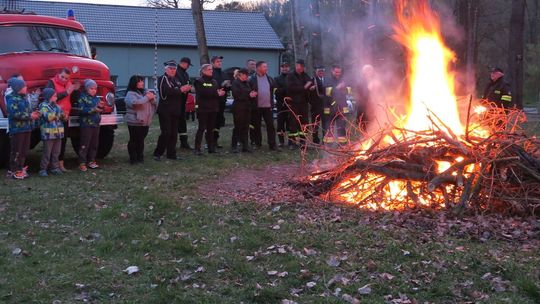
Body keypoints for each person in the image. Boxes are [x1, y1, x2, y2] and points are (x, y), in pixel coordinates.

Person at [46, 68, 81, 172]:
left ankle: (60, 164)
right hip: (54, 117)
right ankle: (49, 165)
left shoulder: (68, 83)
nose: (64, 80)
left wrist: (76, 90)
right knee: (52, 142)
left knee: (63, 140)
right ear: (58, 74)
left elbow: (74, 99)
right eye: (62, 77)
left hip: (65, 116)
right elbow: (51, 99)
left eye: (67, 78)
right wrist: (66, 92)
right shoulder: (51, 82)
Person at [6, 78, 39, 179]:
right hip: (17, 129)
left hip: (26, 128)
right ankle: (14, 170)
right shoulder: (11, 98)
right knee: (17, 150)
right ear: (18, 88)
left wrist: (34, 114)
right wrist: (30, 116)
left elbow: (28, 110)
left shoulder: (24, 97)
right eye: (24, 86)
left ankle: (20, 168)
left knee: (24, 150)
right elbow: (14, 114)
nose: (26, 87)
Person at [153, 60, 184, 161]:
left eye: (174, 69)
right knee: (166, 132)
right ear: (166, 69)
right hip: (165, 110)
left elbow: (179, 93)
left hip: (176, 110)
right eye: (170, 68)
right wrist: (180, 90)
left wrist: (184, 90)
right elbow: (164, 93)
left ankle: (171, 153)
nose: (172, 70)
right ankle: (158, 153)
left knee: (174, 133)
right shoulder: (163, 78)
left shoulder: (177, 80)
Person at [194, 64, 226, 155]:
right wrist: (216, 94)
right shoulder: (199, 81)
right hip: (203, 109)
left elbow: (213, 92)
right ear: (203, 71)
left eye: (211, 69)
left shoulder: (214, 81)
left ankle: (211, 148)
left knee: (211, 129)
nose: (211, 71)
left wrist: (219, 93)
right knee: (201, 128)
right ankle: (197, 148)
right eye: (209, 69)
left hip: (213, 108)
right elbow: (204, 92)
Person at [125, 75, 157, 164]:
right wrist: (147, 98)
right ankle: (133, 158)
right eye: (139, 81)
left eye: (142, 81)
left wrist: (152, 99)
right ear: (134, 83)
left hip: (145, 121)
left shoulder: (144, 92)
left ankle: (140, 157)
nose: (142, 83)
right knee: (134, 139)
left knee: (141, 139)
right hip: (134, 121)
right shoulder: (130, 94)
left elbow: (153, 103)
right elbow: (136, 103)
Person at [249, 60, 278, 150]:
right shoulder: (252, 79)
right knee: (256, 126)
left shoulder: (270, 78)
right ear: (258, 68)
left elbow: (274, 89)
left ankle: (272, 144)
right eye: (264, 67)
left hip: (268, 106)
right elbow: (248, 91)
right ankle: (257, 143)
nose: (266, 68)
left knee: (270, 126)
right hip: (256, 107)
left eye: (266, 66)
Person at [286, 59, 314, 149]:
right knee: (293, 122)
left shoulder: (305, 75)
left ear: (303, 68)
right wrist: (304, 87)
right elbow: (290, 88)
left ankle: (303, 142)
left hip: (303, 103)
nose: (299, 68)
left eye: (301, 67)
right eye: (297, 66)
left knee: (304, 122)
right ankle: (292, 143)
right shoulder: (291, 76)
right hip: (294, 102)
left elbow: (310, 82)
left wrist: (310, 86)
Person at [38, 88, 66, 177]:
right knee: (47, 152)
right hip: (48, 134)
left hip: (58, 133)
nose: (56, 97)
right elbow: (48, 117)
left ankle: (54, 167)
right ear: (49, 97)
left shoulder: (57, 106)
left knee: (56, 152)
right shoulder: (43, 106)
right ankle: (43, 169)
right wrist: (58, 115)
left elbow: (62, 116)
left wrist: (64, 115)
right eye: (54, 96)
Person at [77, 79, 103, 172]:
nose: (94, 90)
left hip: (95, 124)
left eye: (95, 89)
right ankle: (82, 163)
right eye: (91, 88)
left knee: (94, 144)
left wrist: (101, 107)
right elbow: (81, 110)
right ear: (87, 89)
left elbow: (99, 109)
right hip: (86, 124)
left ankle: (91, 161)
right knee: (85, 144)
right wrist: (93, 109)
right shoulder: (82, 98)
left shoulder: (96, 98)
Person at [323, 65, 351, 145]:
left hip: (342, 107)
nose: (338, 73)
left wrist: (345, 88)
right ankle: (329, 146)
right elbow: (327, 93)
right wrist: (338, 88)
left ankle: (342, 145)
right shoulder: (327, 80)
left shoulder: (344, 80)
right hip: (330, 107)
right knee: (329, 127)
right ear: (332, 71)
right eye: (336, 72)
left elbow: (349, 91)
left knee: (341, 127)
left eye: (339, 72)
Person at [232, 68, 257, 153]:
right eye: (246, 75)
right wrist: (248, 95)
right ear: (241, 75)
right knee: (238, 126)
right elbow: (236, 95)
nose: (247, 77)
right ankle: (234, 146)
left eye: (248, 75)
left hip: (247, 107)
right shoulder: (235, 83)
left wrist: (252, 96)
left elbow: (248, 94)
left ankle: (245, 146)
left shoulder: (247, 83)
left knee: (246, 127)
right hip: (239, 107)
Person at [211, 55, 231, 148]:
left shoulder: (224, 73)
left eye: (220, 61)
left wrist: (227, 86)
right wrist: (220, 86)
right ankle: (209, 141)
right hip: (212, 101)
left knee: (218, 121)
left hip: (222, 101)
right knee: (211, 121)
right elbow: (208, 86)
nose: (219, 63)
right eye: (217, 61)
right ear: (212, 63)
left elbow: (228, 88)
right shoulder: (210, 73)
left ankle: (215, 140)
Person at [176, 57, 194, 149]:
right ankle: (171, 143)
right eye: (188, 65)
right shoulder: (176, 72)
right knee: (175, 123)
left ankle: (184, 142)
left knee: (183, 122)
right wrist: (182, 89)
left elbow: (189, 83)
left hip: (183, 102)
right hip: (175, 102)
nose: (188, 67)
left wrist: (190, 87)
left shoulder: (185, 74)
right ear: (183, 63)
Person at [274, 62, 290, 147]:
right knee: (280, 123)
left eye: (286, 67)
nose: (285, 68)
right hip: (280, 104)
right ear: (280, 68)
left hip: (291, 104)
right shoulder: (276, 79)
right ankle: (281, 141)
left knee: (291, 123)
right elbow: (276, 91)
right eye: (283, 67)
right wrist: (286, 89)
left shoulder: (292, 77)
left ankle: (292, 142)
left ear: (289, 68)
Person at [310, 66, 326, 144]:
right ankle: (315, 140)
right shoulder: (312, 80)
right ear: (316, 72)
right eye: (319, 71)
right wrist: (311, 89)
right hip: (315, 106)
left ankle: (325, 140)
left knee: (325, 124)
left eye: (322, 71)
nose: (321, 73)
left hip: (325, 106)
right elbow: (307, 91)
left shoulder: (327, 80)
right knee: (315, 124)